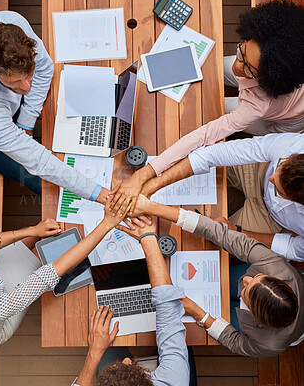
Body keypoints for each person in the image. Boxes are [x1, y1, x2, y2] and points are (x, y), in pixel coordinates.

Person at [109, 0, 304, 215]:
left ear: (269, 75)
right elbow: (239, 64)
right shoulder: (255, 59)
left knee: (219, 109)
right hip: (279, 94)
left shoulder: (257, 105)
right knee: (215, 71)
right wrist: (244, 62)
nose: (237, 65)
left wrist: (144, 174)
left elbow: (205, 135)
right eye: (241, 50)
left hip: (284, 124)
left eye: (247, 67)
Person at [128, 194, 304, 357]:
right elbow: (224, 235)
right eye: (256, 278)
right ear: (283, 284)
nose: (245, 279)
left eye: (247, 291)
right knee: (222, 280)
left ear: (256, 318)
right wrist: (152, 207)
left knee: (221, 311)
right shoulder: (275, 266)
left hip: (283, 329)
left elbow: (235, 341)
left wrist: (200, 314)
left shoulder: (270, 344)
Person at [0, 10, 108, 203]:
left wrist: (26, 122)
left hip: (5, 111)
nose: (27, 87)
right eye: (15, 82)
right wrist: (100, 194)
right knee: (40, 181)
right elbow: (39, 160)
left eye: (29, 76)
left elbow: (45, 68)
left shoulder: (12, 21)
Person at [0, 198, 132, 350]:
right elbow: (51, 271)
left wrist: (33, 230)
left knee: (36, 235)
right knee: (41, 253)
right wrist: (106, 225)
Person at [124, 133, 304, 262]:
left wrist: (238, 231)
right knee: (193, 168)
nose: (272, 179)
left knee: (205, 243)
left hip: (271, 221)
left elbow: (292, 249)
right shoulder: (293, 147)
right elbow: (213, 154)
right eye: (280, 168)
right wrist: (152, 185)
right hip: (258, 168)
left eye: (278, 189)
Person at [71, 218, 191, 386]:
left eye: (122, 364)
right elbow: (167, 306)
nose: (127, 360)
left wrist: (94, 352)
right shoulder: (174, 382)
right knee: (182, 347)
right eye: (131, 366)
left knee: (110, 348)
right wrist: (148, 237)